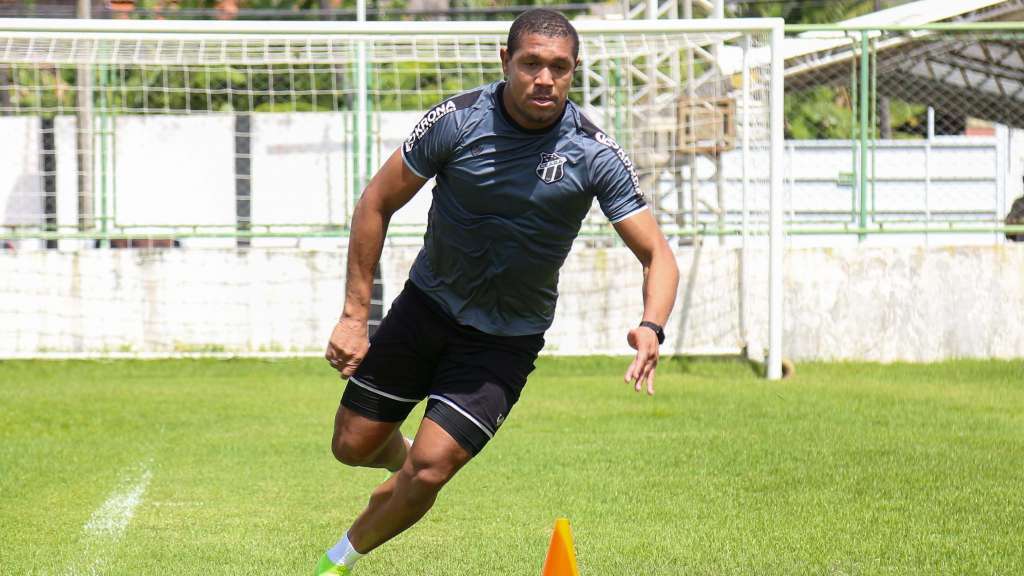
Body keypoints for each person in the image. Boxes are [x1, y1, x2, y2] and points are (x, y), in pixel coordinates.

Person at [318, 8, 680, 575]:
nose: (545, 78)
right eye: (531, 63)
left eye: (559, 68)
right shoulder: (457, 120)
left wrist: (652, 325)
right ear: (505, 60)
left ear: (574, 71)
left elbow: (657, 255)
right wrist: (353, 315)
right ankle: (405, 467)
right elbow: (376, 202)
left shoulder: (594, 152)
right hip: (426, 308)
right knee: (352, 445)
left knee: (434, 469)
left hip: (504, 341)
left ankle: (336, 560)